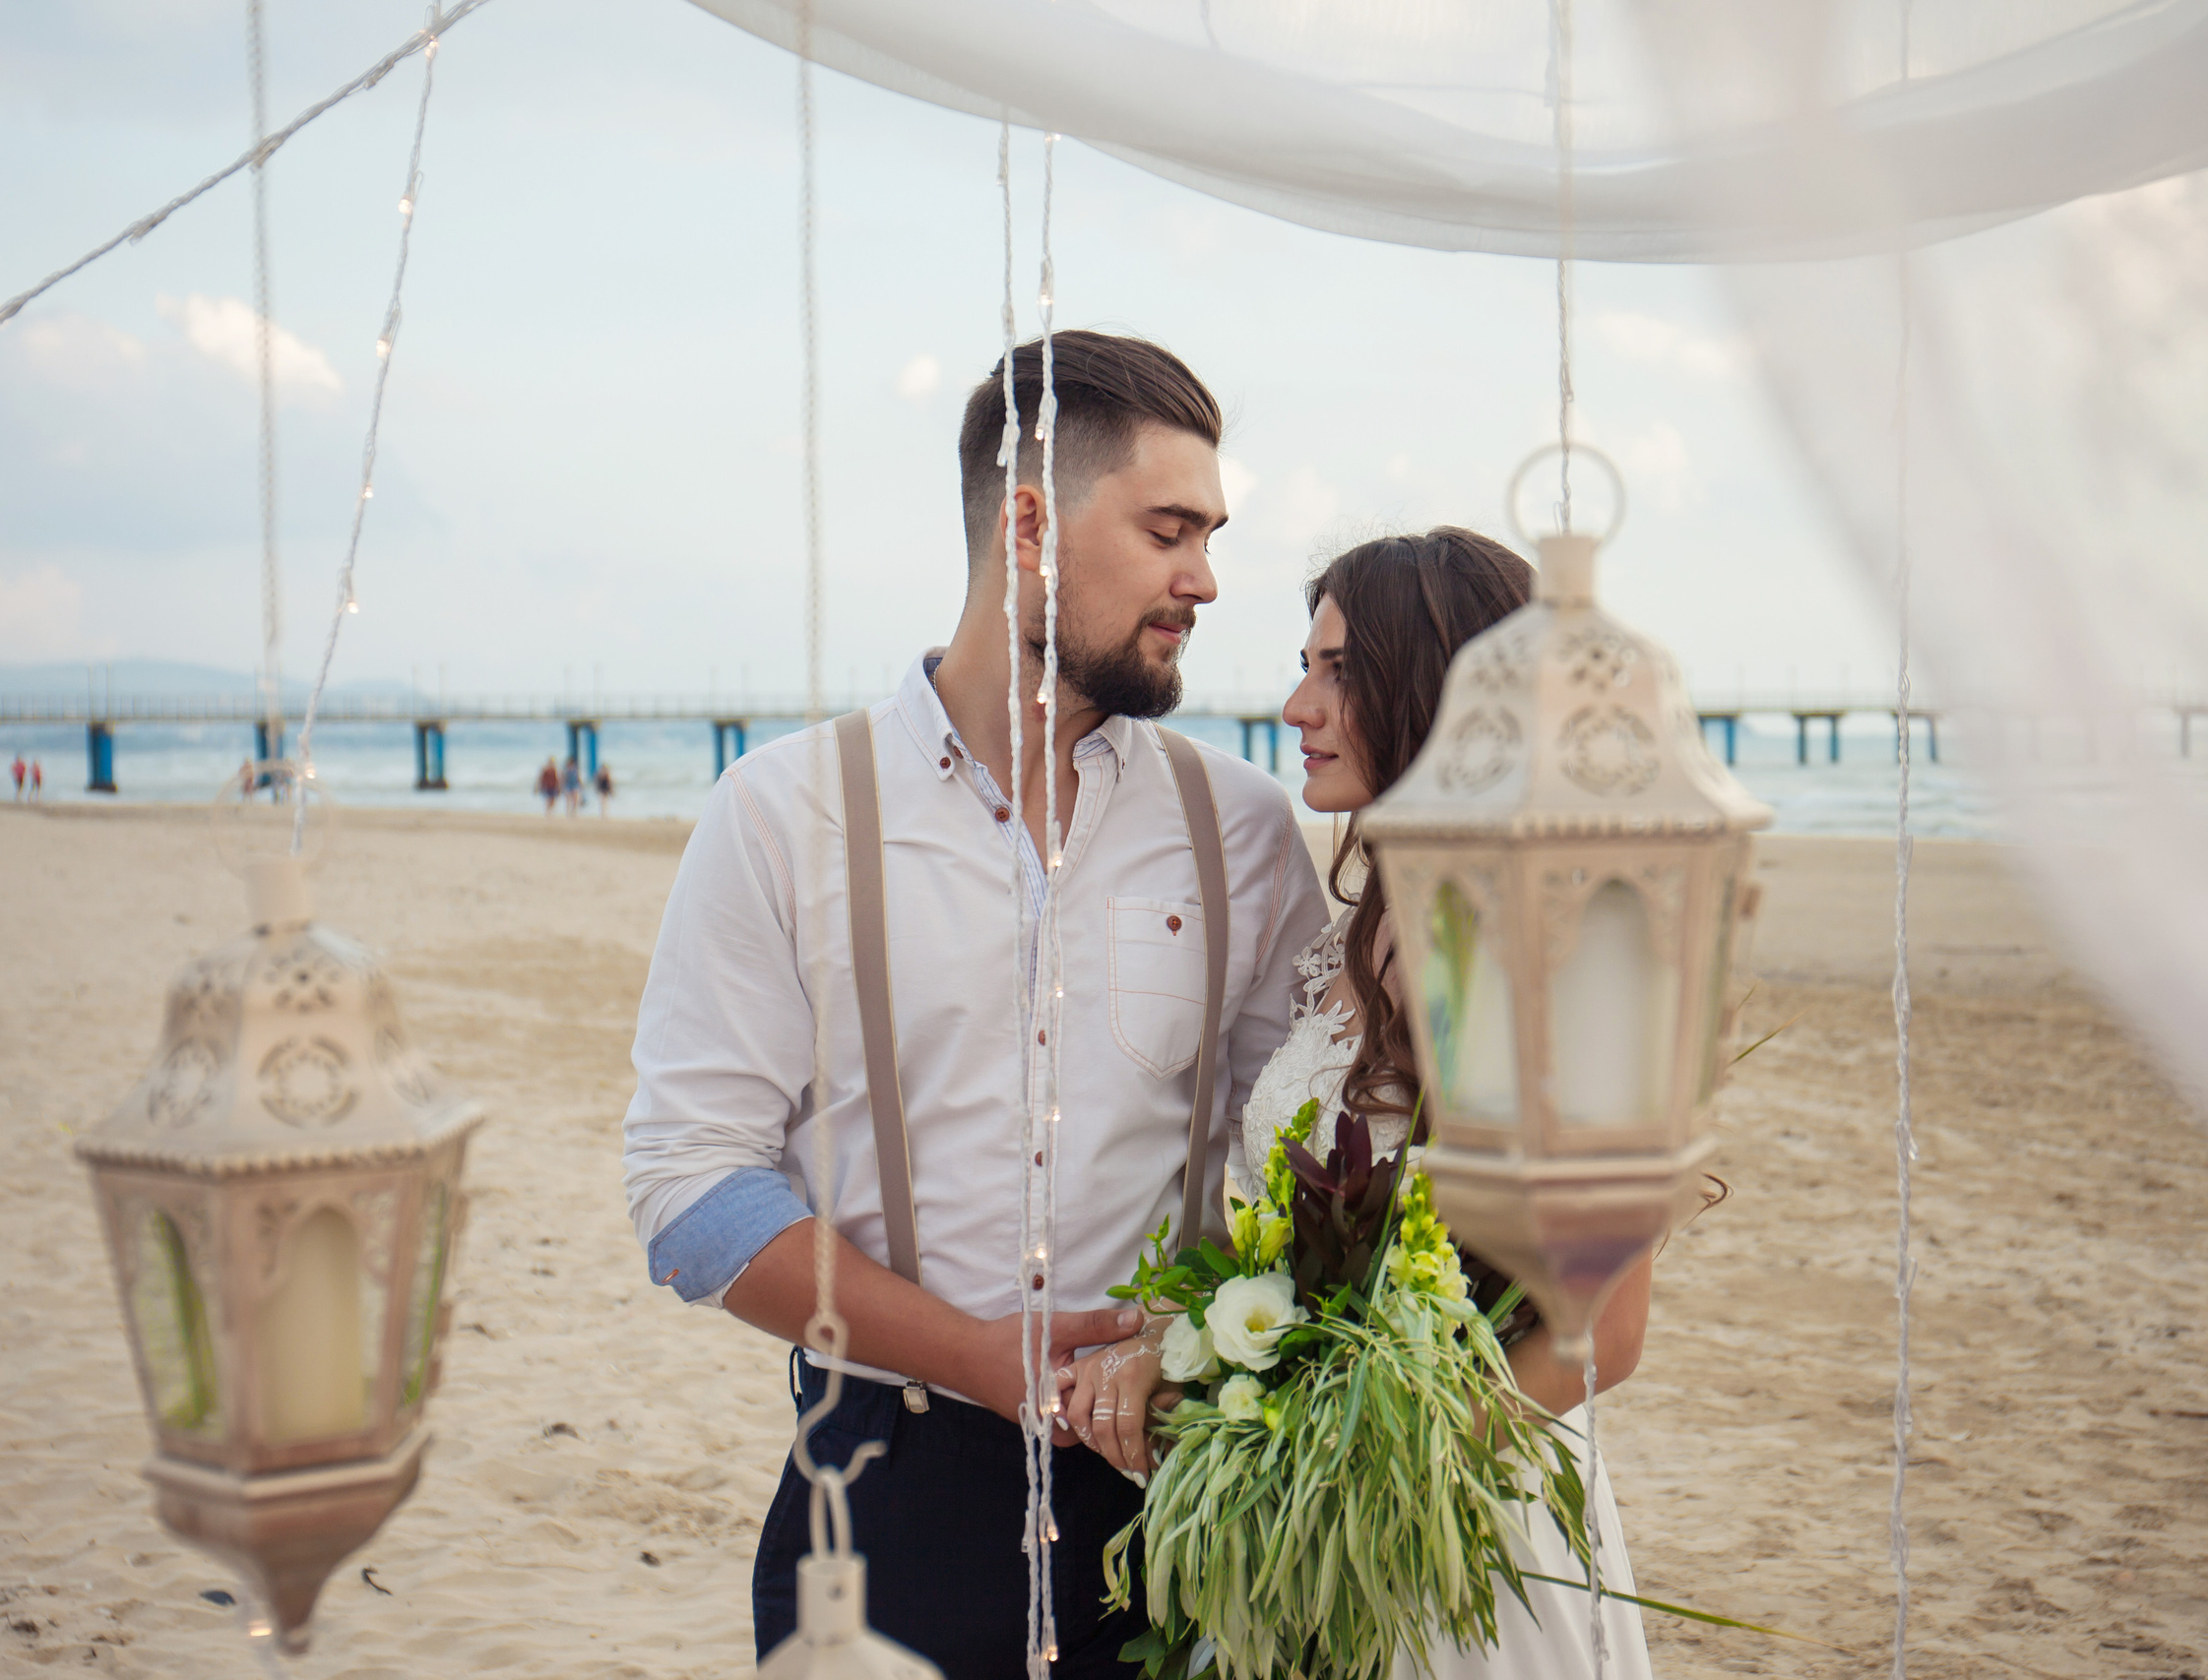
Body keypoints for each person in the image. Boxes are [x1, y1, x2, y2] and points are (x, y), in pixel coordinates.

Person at [620, 331, 1328, 1679]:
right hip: (886, 1489)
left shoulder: (1241, 827)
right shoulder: (782, 813)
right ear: (1029, 526)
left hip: (1183, 1492)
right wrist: (974, 1357)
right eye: (1169, 530)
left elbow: (1299, 1157)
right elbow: (688, 1189)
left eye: (1210, 535)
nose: (1204, 579)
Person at [1062, 529, 1662, 1680]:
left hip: (1444, 1531)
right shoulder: (1363, 927)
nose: (1298, 704)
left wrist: (1350, 1476)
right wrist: (1184, 1352)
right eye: (1306, 666)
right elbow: (1301, 1246)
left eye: (1339, 671)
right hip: (1316, 1534)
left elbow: (1603, 1334)